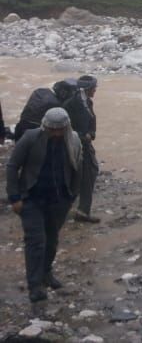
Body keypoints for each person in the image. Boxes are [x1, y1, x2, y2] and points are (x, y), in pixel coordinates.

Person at [6, 108, 82, 303]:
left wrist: (72, 196)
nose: (56, 134)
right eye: (51, 130)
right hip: (31, 199)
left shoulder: (72, 139)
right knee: (36, 242)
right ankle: (35, 285)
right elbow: (13, 166)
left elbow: (78, 168)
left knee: (52, 241)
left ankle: (46, 274)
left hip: (58, 200)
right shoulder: (31, 138)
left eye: (59, 130)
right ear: (45, 126)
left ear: (66, 127)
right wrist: (14, 197)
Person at [63, 75, 100, 224]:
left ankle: (80, 210)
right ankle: (80, 211)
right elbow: (65, 128)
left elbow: (92, 120)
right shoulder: (70, 104)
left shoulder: (87, 102)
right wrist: (81, 136)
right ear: (87, 89)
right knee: (81, 175)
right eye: (94, 88)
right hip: (74, 146)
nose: (95, 90)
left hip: (85, 143)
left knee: (89, 172)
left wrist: (91, 133)